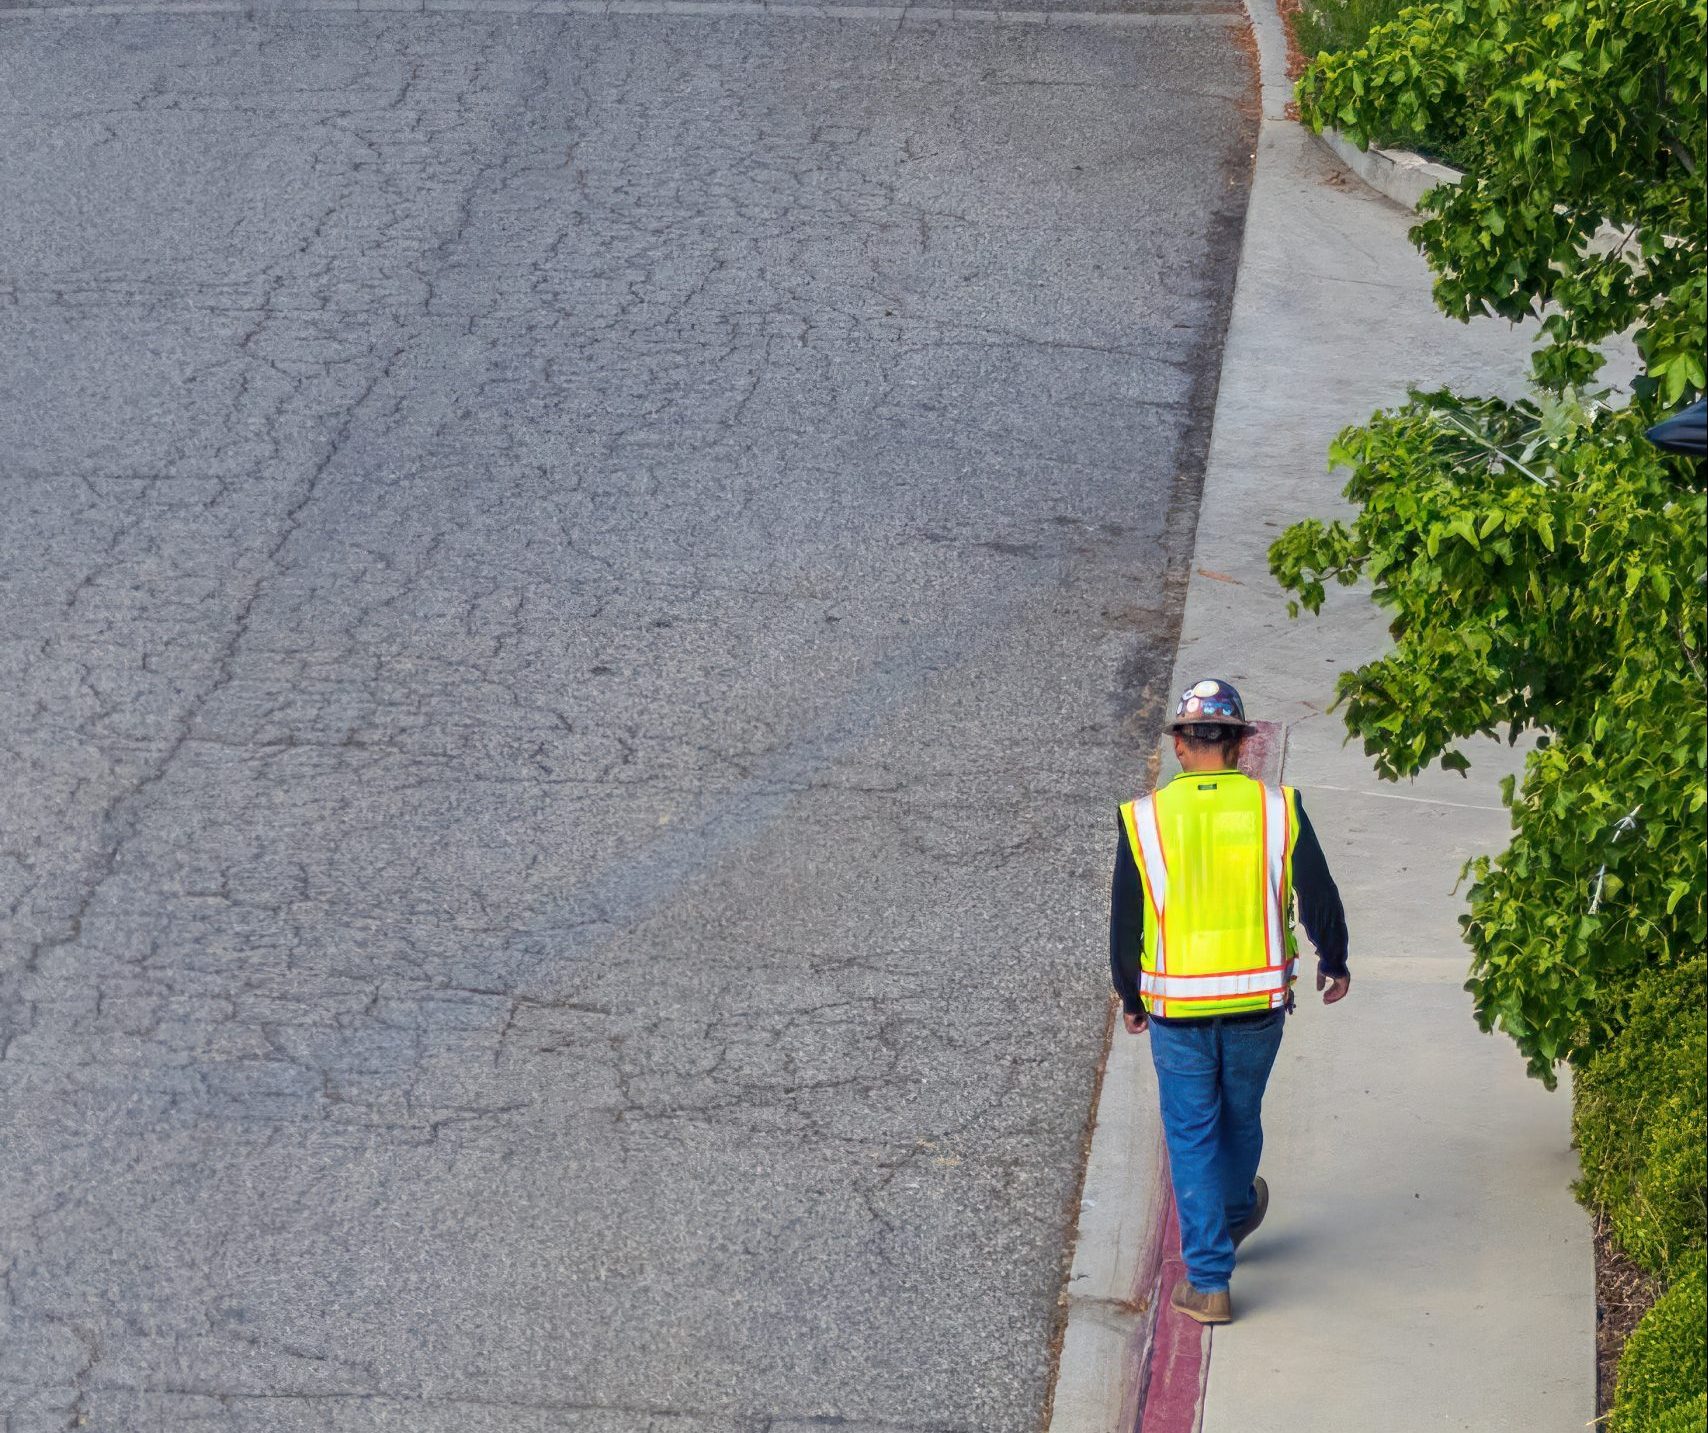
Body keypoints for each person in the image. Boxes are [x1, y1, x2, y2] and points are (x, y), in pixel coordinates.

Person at [1110, 679, 1350, 1324]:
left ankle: (1209, 1281)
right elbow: (1319, 894)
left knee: (1192, 1134)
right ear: (1240, 745)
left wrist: (1130, 994)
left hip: (1177, 1010)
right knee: (1240, 1117)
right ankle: (1239, 1209)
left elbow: (1126, 920)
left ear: (1184, 745)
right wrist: (1335, 959)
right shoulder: (1278, 808)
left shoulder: (1147, 817)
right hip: (1257, 1005)